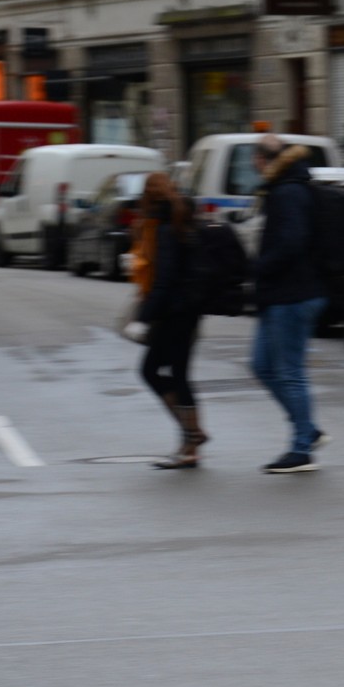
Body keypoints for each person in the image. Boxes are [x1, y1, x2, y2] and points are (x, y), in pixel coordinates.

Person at [250, 135, 327, 473]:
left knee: (290, 373)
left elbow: (292, 242)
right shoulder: (285, 187)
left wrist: (260, 267)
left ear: (264, 159)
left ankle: (301, 449)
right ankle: (307, 429)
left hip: (294, 295)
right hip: (279, 294)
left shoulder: (289, 191)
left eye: (255, 158)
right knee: (261, 365)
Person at [134, 173, 209, 469]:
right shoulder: (185, 217)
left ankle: (191, 439)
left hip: (175, 312)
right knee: (176, 373)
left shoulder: (167, 226)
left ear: (150, 198)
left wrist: (144, 316)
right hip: (189, 310)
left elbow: (165, 280)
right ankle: (191, 438)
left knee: (154, 370)